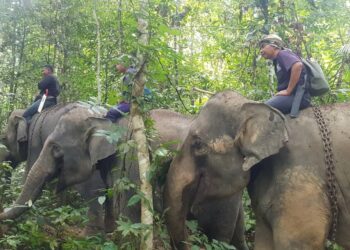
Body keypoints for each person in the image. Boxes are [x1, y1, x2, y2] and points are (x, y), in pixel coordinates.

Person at [259, 34, 310, 115]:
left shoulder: (282, 54)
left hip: (297, 96)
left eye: (263, 46)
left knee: (263, 109)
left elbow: (297, 65)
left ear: (274, 45)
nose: (261, 50)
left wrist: (288, 91)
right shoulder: (277, 61)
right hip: (292, 96)